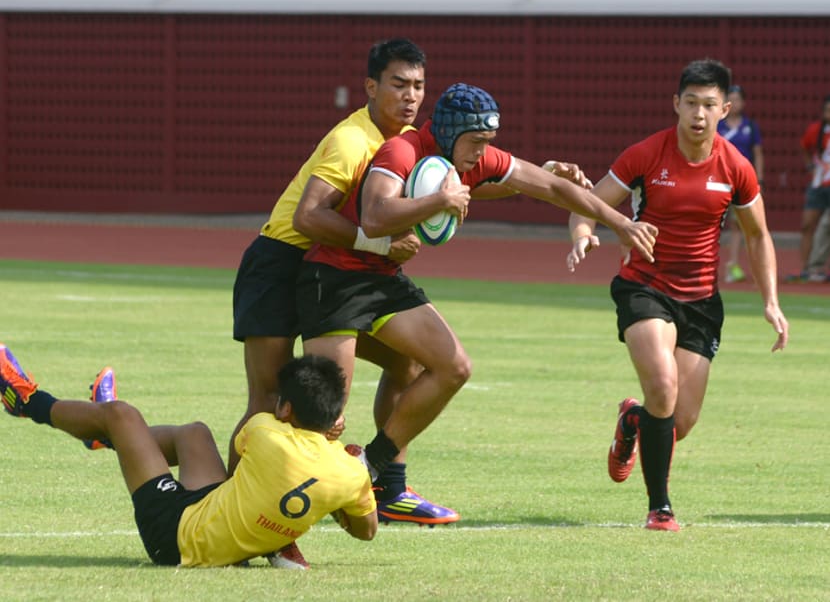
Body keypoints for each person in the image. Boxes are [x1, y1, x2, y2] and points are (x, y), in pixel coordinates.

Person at [294, 82, 659, 502]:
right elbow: (375, 217)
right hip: (334, 279)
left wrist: (620, 223)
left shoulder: (472, 156)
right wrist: (441, 201)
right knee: (323, 416)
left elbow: (553, 187)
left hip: (382, 278)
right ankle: (280, 520)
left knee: (454, 367)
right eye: (477, 141)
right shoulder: (403, 151)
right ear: (450, 132)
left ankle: (374, 467)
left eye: (489, 141)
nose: (482, 152)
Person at [231, 39, 458, 536]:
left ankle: (387, 484)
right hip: (280, 263)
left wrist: (542, 174)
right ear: (371, 87)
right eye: (398, 84)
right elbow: (307, 217)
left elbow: (470, 170)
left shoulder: (411, 143)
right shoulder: (353, 140)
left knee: (407, 361)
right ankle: (237, 514)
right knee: (270, 402)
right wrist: (378, 248)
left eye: (419, 86)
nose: (411, 96)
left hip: (338, 272)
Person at [567, 59, 789, 531]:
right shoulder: (646, 154)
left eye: (710, 105)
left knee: (677, 423)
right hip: (644, 288)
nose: (699, 114)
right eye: (691, 103)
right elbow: (587, 203)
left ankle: (632, 423)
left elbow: (758, 235)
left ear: (725, 109)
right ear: (676, 104)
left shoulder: (736, 166)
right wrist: (584, 231)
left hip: (702, 301)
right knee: (663, 388)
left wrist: (770, 300)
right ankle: (660, 507)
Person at [0, 344, 377, 568]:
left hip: (176, 534)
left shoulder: (265, 430)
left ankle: (27, 401)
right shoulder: (350, 471)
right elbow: (366, 531)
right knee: (194, 433)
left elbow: (244, 452)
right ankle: (109, 436)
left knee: (121, 414)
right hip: (211, 510)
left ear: (286, 409)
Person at [717, 84, 764, 283]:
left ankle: (733, 264)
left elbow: (758, 154)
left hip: (742, 184)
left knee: (741, 226)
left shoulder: (750, 127)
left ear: (743, 102)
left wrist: (759, 179)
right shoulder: (718, 126)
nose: (735, 103)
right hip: (718, 182)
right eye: (731, 99)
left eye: (738, 99)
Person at [786, 94, 830, 282]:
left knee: (825, 227)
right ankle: (806, 268)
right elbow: (804, 146)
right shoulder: (816, 130)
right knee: (807, 225)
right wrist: (810, 167)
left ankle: (817, 267)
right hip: (818, 184)